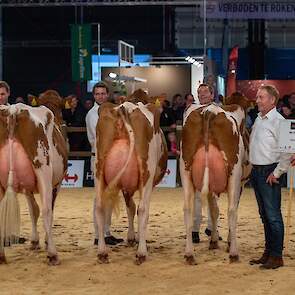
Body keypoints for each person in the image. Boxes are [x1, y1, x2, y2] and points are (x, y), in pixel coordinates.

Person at [249, 85, 291, 269]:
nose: (257, 100)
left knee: (273, 215)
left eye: (261, 97)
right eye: (257, 97)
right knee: (264, 214)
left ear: (272, 100)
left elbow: (288, 152)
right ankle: (268, 252)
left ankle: (277, 256)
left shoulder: (280, 121)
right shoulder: (259, 119)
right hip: (257, 171)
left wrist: (277, 173)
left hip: (269, 172)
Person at [85, 81, 123, 246]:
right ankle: (98, 234)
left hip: (113, 159)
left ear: (107, 94)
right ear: (94, 96)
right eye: (97, 93)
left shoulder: (113, 111)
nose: (100, 96)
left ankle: (106, 232)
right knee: (100, 197)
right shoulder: (93, 114)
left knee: (111, 196)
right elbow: (101, 138)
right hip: (99, 157)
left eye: (103, 93)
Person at [192, 83, 222, 243]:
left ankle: (212, 228)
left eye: (205, 92)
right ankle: (194, 229)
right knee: (197, 195)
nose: (202, 94)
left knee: (214, 195)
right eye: (199, 92)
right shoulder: (192, 112)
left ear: (212, 94)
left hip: (214, 158)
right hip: (197, 158)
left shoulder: (219, 112)